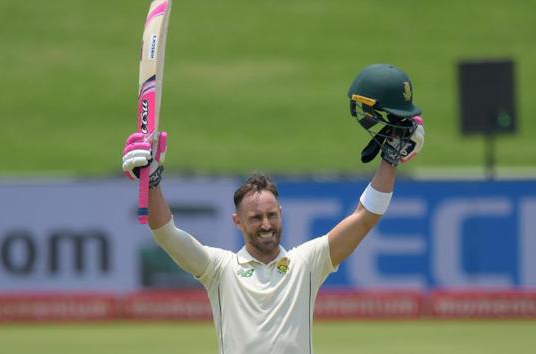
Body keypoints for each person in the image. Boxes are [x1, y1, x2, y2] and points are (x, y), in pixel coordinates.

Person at [122, 63, 425, 354]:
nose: (266, 224)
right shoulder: (219, 270)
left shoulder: (306, 264)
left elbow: (365, 217)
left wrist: (390, 159)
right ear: (237, 222)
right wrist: (152, 182)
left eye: (271, 215)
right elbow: (165, 234)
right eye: (255, 218)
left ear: (281, 213)